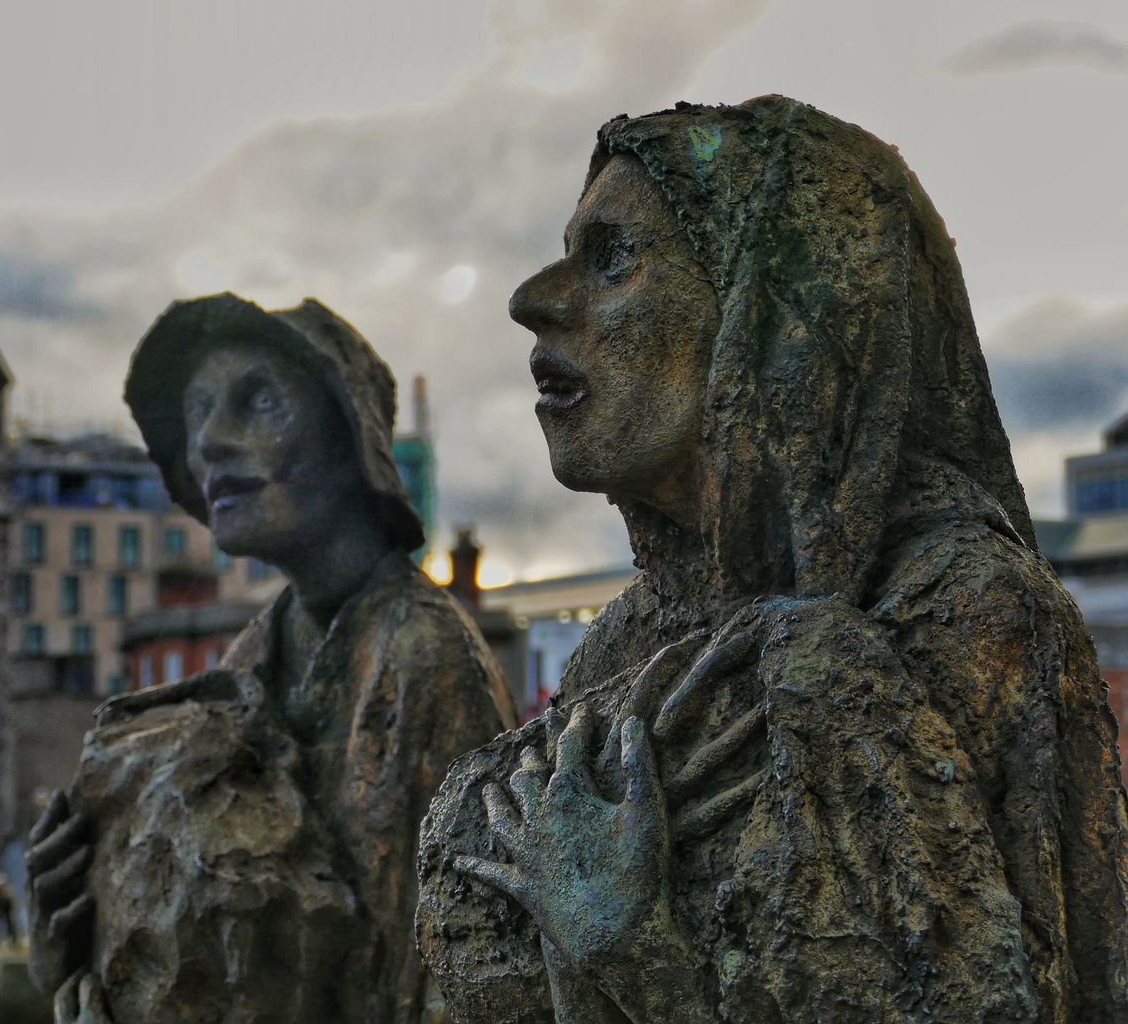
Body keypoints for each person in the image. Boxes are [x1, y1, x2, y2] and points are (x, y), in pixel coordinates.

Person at [416, 96, 1128, 1023]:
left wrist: (631, 952)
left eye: (614, 257)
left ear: (774, 311)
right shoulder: (624, 642)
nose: (534, 300)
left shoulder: (968, 609)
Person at [26, 294, 516, 1023]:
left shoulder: (420, 657)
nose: (210, 442)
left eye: (257, 401)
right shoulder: (257, 648)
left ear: (350, 432)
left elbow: (411, 990)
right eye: (197, 412)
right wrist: (80, 949)